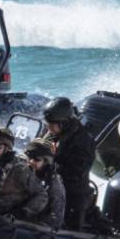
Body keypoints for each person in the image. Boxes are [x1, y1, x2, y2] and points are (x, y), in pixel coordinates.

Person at [43, 97, 95, 230]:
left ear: (64, 123)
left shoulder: (83, 141)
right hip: (50, 184)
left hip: (72, 192)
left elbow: (76, 172)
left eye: (51, 126)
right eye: (47, 125)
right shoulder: (53, 132)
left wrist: (52, 162)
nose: (48, 129)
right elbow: (39, 147)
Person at [0, 127, 47, 219]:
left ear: (6, 148)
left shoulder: (19, 169)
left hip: (7, 219)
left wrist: (22, 212)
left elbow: (41, 195)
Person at [25, 138, 66, 230]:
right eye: (29, 157)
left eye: (36, 159)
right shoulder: (23, 171)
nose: (31, 161)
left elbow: (55, 217)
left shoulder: (54, 185)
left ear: (46, 161)